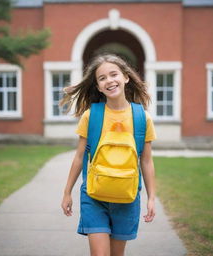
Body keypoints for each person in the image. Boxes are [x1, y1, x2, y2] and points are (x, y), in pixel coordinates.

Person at [61, 54, 156, 256]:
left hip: (127, 197)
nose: (109, 81)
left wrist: (151, 197)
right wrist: (67, 192)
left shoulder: (142, 118)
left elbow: (146, 161)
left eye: (114, 74)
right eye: (102, 78)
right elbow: (79, 157)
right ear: (97, 86)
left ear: (126, 77)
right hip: (94, 196)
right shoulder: (91, 115)